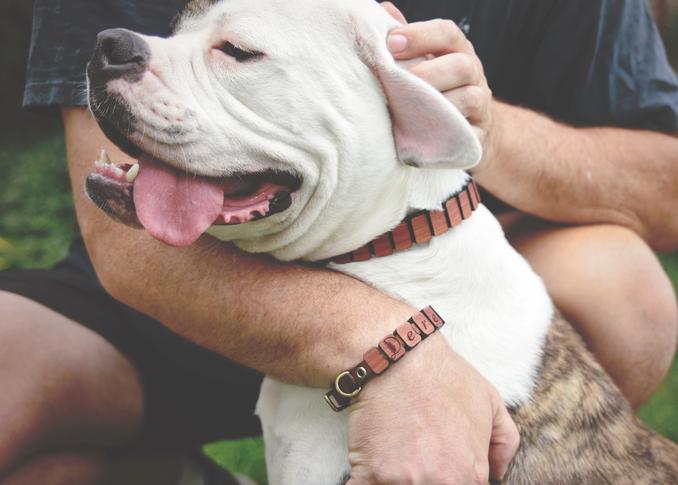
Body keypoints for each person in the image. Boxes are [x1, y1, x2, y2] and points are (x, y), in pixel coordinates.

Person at [1, 0, 677, 483]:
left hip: (440, 246)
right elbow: (126, 248)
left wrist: (487, 129)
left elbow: (665, 184)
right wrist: (395, 345)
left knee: (620, 282)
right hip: (185, 286)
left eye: (234, 51)